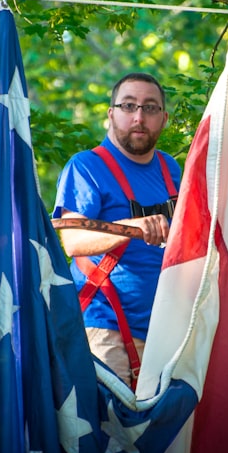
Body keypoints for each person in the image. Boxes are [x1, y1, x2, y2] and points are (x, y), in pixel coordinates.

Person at [52, 72, 182, 388]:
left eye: (150, 108)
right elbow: (72, 240)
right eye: (128, 106)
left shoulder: (171, 168)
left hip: (167, 331)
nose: (139, 117)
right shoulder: (86, 167)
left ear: (163, 119)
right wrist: (128, 228)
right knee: (112, 435)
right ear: (111, 113)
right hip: (105, 329)